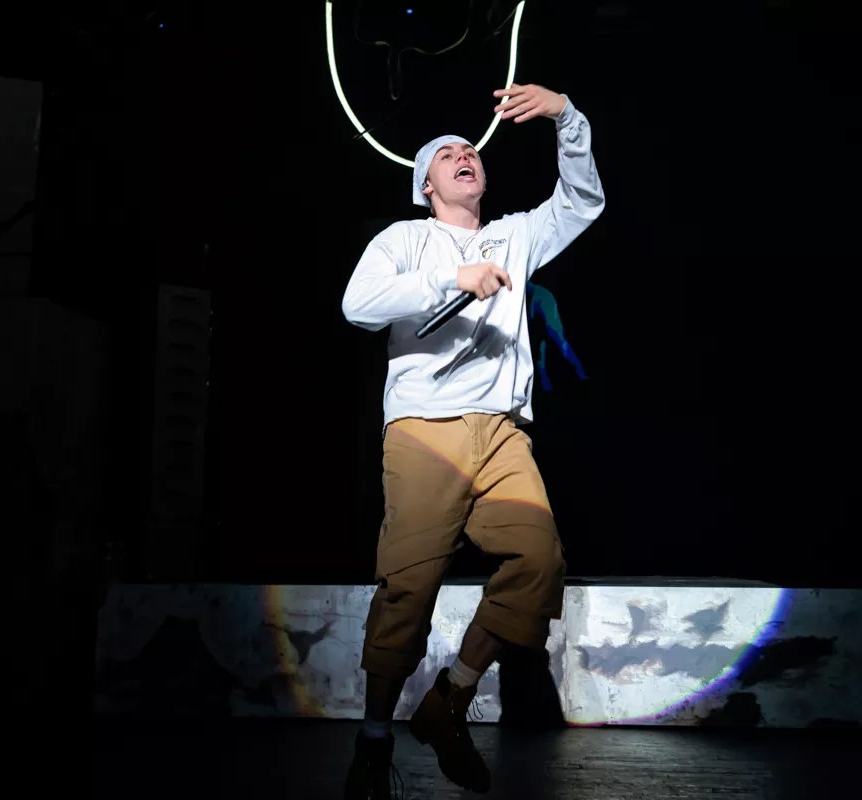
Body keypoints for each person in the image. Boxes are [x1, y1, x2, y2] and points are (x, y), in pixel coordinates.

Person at [340, 82, 604, 798]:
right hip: (425, 430)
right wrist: (450, 278)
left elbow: (583, 201)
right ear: (426, 185)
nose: (464, 156)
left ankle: (450, 697)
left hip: (503, 434)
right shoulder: (403, 241)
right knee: (408, 588)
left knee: (539, 560)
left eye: (471, 151)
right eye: (446, 154)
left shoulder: (515, 235)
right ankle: (373, 740)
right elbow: (358, 305)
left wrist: (565, 116)